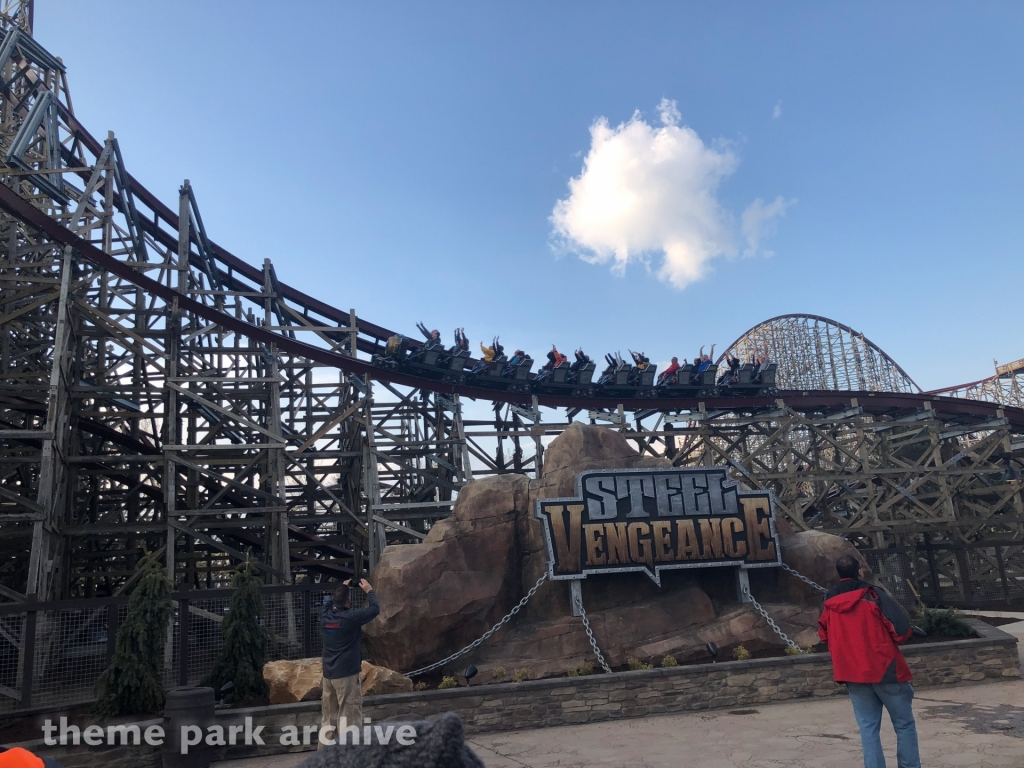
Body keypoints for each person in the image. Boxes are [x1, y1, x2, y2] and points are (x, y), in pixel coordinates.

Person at [818, 554, 919, 768]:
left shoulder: (828, 601)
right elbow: (901, 631)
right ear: (860, 571)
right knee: (904, 725)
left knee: (868, 728)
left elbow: (824, 635)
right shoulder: (874, 594)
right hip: (886, 669)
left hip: (852, 672)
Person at [319, 578, 380, 749]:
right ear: (349, 600)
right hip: (346, 677)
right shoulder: (351, 618)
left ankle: (323, 761)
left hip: (328, 676)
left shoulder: (325, 617)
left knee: (328, 722)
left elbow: (326, 604)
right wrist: (369, 590)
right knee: (349, 722)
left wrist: (341, 588)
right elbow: (375, 609)